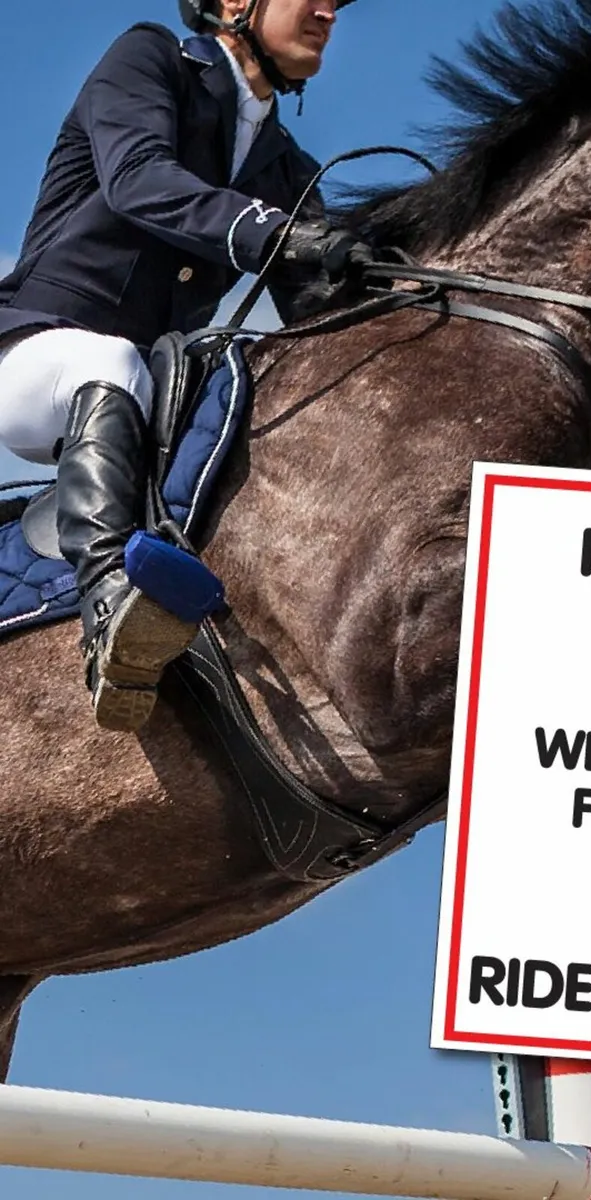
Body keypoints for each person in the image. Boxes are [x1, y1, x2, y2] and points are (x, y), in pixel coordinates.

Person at [0, 0, 372, 733]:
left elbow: (318, 312)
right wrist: (277, 234)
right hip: (32, 356)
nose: (328, 10)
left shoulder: (287, 166)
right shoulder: (150, 58)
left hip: (151, 395)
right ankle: (109, 599)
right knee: (109, 359)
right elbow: (139, 179)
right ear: (233, 2)